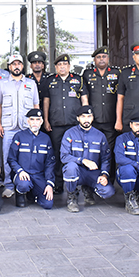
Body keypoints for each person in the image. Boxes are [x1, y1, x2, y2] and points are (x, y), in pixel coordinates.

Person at [0, 54, 40, 198]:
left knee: (27, 156)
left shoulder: (31, 84)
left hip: (26, 127)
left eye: (19, 64)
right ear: (9, 67)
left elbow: (36, 105)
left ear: (22, 66)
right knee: (7, 156)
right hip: (8, 126)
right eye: (13, 64)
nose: (16, 66)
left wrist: (37, 124)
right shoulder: (2, 83)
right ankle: (9, 185)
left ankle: (26, 184)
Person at [42, 54, 87, 193]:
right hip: (56, 123)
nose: (62, 67)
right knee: (57, 153)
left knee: (76, 153)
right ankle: (58, 184)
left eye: (65, 64)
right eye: (59, 65)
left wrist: (85, 119)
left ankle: (77, 184)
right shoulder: (49, 80)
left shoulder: (78, 79)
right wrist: (46, 120)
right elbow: (46, 102)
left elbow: (84, 100)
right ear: (56, 67)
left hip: (74, 124)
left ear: (69, 66)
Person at [60, 105, 115, 212]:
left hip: (93, 173)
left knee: (108, 191)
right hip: (77, 170)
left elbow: (106, 159)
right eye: (83, 117)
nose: (86, 120)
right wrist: (82, 160)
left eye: (89, 116)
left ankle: (88, 189)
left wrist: (104, 175)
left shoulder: (100, 136)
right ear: (78, 118)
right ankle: (72, 196)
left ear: (93, 117)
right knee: (70, 167)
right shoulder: (69, 134)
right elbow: (64, 156)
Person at [82, 46, 120, 180]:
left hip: (111, 120)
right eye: (98, 57)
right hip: (94, 120)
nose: (101, 59)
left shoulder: (116, 73)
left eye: (104, 56)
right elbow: (84, 96)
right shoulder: (87, 74)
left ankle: (109, 179)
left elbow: (121, 96)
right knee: (93, 151)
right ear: (94, 60)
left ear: (108, 58)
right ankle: (93, 179)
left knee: (109, 151)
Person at [7, 109, 56, 209]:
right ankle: (20, 193)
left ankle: (32, 193)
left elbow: (50, 163)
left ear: (41, 121)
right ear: (28, 121)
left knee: (48, 204)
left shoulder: (46, 138)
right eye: (32, 119)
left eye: (37, 120)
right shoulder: (19, 136)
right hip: (23, 174)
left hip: (38, 175)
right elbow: (11, 158)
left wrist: (49, 183)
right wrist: (20, 171)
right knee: (24, 185)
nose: (35, 122)